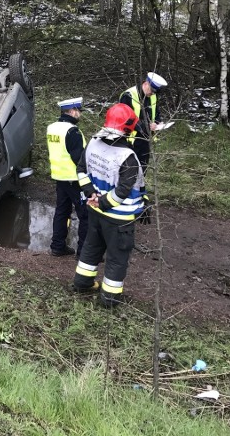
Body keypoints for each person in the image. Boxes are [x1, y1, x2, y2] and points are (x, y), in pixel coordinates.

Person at [73, 103, 146, 307]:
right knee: (117, 257)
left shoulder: (93, 143)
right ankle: (110, 299)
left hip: (94, 210)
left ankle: (82, 283)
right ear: (128, 128)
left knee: (91, 247)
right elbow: (123, 191)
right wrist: (104, 202)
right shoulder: (128, 156)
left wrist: (91, 195)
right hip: (118, 218)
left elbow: (81, 170)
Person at [46, 97, 89, 257]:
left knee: (62, 211)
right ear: (72, 111)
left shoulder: (52, 128)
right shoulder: (73, 131)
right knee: (85, 214)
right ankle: (84, 252)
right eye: (78, 111)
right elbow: (79, 158)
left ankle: (57, 246)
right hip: (75, 178)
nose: (80, 114)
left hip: (59, 176)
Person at [119, 72, 168, 171]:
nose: (152, 94)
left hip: (146, 139)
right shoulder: (128, 95)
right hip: (130, 140)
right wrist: (146, 126)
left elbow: (156, 113)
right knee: (129, 169)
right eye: (152, 90)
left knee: (142, 168)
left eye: (155, 92)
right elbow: (125, 118)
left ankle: (141, 186)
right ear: (145, 84)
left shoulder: (152, 96)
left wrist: (157, 123)